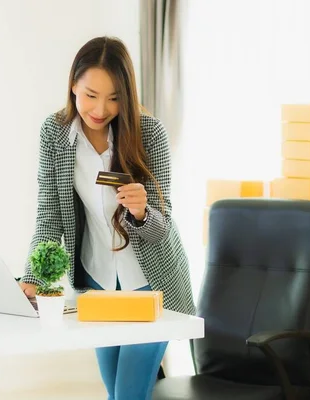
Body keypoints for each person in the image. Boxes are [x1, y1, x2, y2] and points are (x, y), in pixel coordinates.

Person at [19, 36, 195, 400]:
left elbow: (163, 226)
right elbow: (49, 215)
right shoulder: (54, 134)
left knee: (128, 395)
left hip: (151, 285)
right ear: (73, 86)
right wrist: (34, 278)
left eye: (114, 98)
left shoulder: (150, 133)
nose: (100, 109)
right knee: (116, 393)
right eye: (90, 95)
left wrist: (142, 212)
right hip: (98, 284)